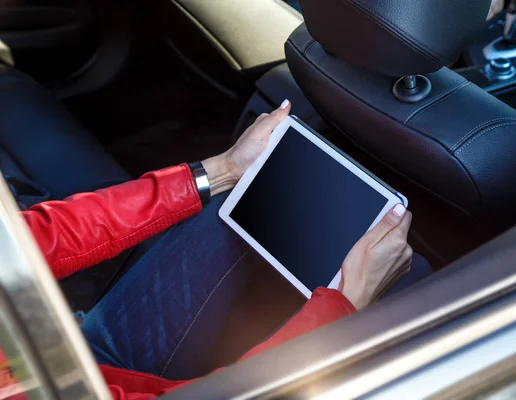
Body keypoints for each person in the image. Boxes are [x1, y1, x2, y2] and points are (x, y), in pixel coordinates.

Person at [15, 101, 429, 399]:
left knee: (239, 206)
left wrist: (223, 170)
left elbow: (26, 238)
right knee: (416, 280)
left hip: (51, 359)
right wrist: (346, 302)